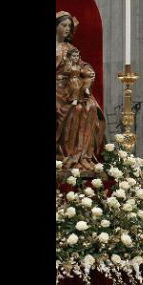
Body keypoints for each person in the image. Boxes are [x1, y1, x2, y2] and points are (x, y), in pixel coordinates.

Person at [56, 11, 106, 171]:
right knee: (73, 109)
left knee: (89, 106)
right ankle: (65, 155)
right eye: (63, 25)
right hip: (58, 89)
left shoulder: (70, 48)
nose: (67, 29)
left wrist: (88, 71)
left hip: (72, 88)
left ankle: (81, 155)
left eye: (69, 26)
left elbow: (81, 64)